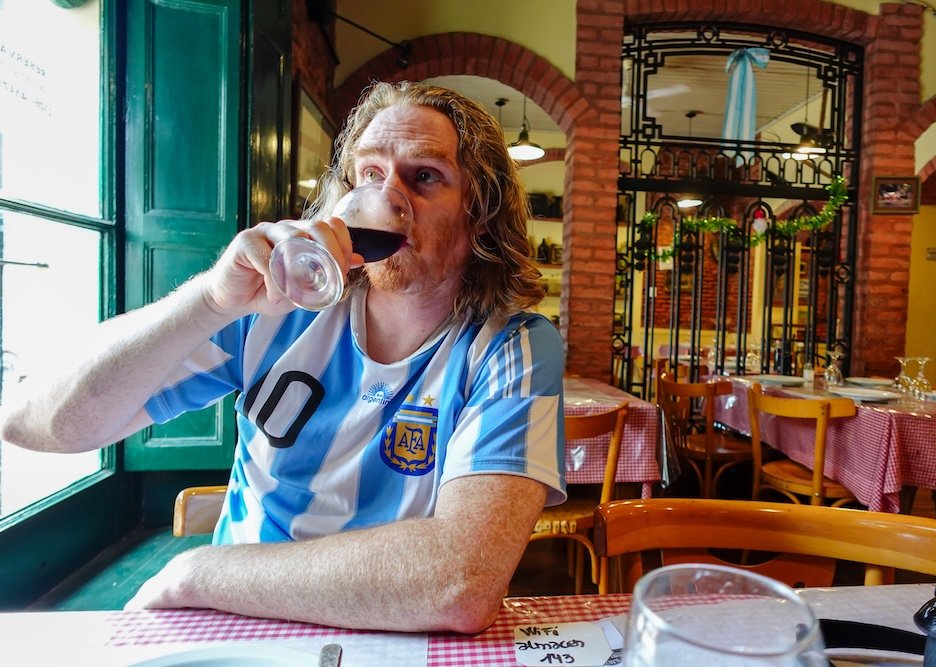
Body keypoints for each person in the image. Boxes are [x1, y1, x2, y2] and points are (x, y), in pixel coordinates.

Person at [0, 81, 566, 633]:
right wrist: (209, 301)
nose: (385, 198)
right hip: (240, 629)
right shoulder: (278, 308)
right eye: (369, 173)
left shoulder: (511, 345)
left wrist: (199, 572)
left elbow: (459, 582)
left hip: (386, 632)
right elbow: (31, 422)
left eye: (424, 177)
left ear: (481, 215)